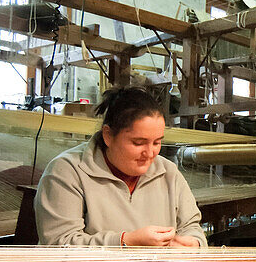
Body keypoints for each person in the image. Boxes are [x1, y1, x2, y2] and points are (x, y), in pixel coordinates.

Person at [35, 85, 207, 249]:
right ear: (108, 135)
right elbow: (59, 243)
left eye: (157, 142)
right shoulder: (68, 172)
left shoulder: (169, 173)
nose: (150, 153)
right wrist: (125, 242)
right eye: (138, 143)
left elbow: (191, 227)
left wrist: (193, 244)